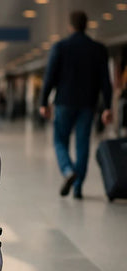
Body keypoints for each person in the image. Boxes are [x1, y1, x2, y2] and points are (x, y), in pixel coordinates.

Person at [39, 10, 112, 199]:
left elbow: (50, 76)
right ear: (86, 25)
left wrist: (44, 101)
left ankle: (67, 170)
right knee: (82, 145)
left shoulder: (61, 47)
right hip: (88, 104)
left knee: (59, 140)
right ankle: (78, 187)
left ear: (70, 26)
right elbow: (105, 80)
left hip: (64, 102)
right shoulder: (98, 49)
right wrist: (108, 107)